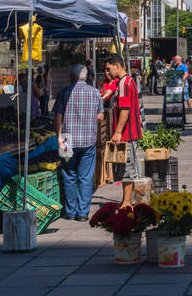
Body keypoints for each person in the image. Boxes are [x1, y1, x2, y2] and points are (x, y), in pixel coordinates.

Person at [53, 64, 100, 221]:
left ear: (71, 77)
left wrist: (58, 136)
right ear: (85, 77)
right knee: (85, 177)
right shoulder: (95, 93)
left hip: (66, 139)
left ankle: (71, 211)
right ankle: (82, 213)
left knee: (69, 174)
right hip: (88, 140)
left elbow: (58, 116)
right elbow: (100, 117)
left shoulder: (64, 93)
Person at [105, 55, 142, 208]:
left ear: (118, 66)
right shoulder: (123, 82)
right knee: (125, 168)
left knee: (127, 169)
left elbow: (125, 109)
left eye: (109, 69)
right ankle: (125, 200)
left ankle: (127, 202)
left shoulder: (124, 84)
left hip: (128, 133)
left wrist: (118, 131)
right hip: (128, 133)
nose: (108, 72)